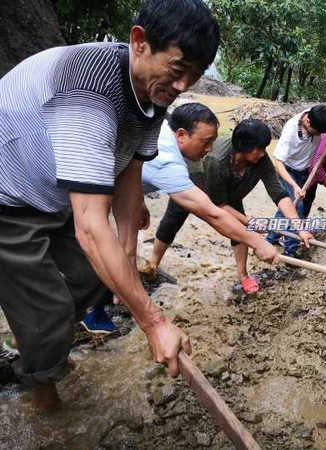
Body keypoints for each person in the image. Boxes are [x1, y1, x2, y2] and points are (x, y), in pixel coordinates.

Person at [0, 0, 277, 411]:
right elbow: (92, 227)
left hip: (54, 191)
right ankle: (43, 398)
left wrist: (127, 258)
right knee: (50, 313)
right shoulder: (89, 90)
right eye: (177, 70)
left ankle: (34, 338)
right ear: (139, 42)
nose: (183, 86)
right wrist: (155, 323)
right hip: (9, 198)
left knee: (98, 278)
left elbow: (129, 173)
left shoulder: (151, 93)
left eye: (194, 77)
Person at [142, 109, 312, 294]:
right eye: (260, 149)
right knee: (172, 221)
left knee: (241, 231)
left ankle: (243, 275)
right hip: (198, 188)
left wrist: (299, 227)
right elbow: (217, 207)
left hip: (232, 196)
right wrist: (251, 223)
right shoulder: (216, 161)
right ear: (244, 147)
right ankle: (153, 263)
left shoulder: (260, 160)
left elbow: (278, 193)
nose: (263, 153)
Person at [265, 105, 326, 257]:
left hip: (304, 171)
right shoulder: (291, 131)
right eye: (316, 133)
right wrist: (294, 185)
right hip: (288, 172)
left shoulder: (316, 112)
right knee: (297, 209)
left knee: (287, 208)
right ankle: (291, 252)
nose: (318, 136)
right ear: (307, 121)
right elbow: (278, 164)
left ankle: (271, 239)